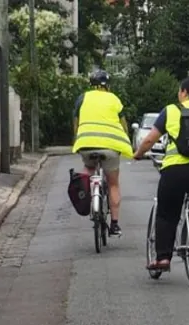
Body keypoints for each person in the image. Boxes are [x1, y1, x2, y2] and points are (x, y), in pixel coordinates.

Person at [133, 77, 189, 271]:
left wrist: (138, 154)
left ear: (184, 93)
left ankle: (163, 258)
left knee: (167, 212)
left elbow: (149, 140)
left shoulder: (171, 111)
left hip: (176, 173)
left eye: (179, 91)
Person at [72, 70, 133, 236]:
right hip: (110, 147)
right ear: (107, 85)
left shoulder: (82, 98)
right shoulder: (114, 99)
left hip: (86, 144)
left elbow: (76, 123)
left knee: (89, 169)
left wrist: (78, 140)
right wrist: (125, 140)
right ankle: (114, 224)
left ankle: (87, 192)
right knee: (113, 183)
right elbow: (123, 124)